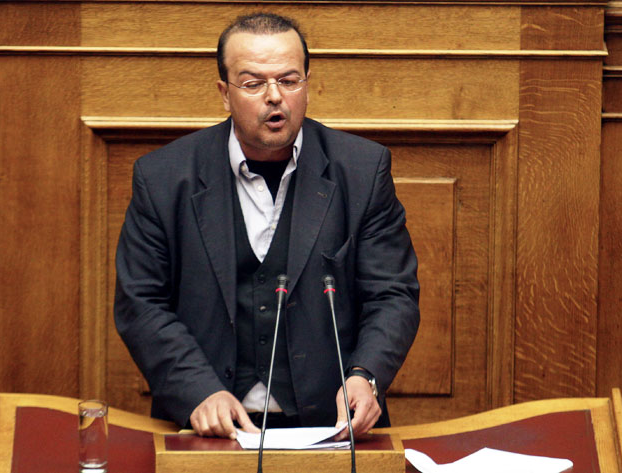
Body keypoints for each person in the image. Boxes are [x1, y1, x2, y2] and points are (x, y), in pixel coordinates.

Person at [114, 12, 419, 441]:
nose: (275, 96)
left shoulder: (362, 171)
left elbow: (393, 294)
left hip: (332, 429)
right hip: (208, 429)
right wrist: (198, 390)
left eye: (289, 81)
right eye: (253, 83)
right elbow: (140, 302)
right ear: (224, 93)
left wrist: (365, 375)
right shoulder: (163, 177)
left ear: (307, 84)